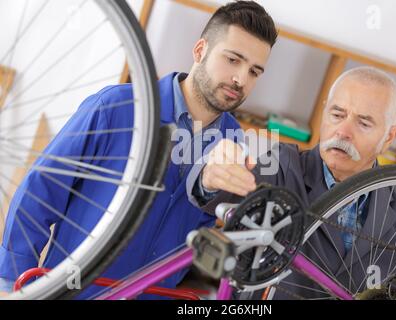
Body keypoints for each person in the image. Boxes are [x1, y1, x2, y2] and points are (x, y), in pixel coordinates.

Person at [0, 0, 278, 299]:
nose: (241, 79)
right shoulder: (117, 107)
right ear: (200, 50)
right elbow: (40, 191)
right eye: (233, 60)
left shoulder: (235, 143)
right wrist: (13, 281)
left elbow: (206, 234)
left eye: (254, 71)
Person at [188, 66, 396, 299]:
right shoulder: (282, 164)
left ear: (389, 137)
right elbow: (219, 196)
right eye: (337, 115)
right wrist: (210, 176)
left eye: (363, 123)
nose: (343, 132)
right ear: (324, 112)